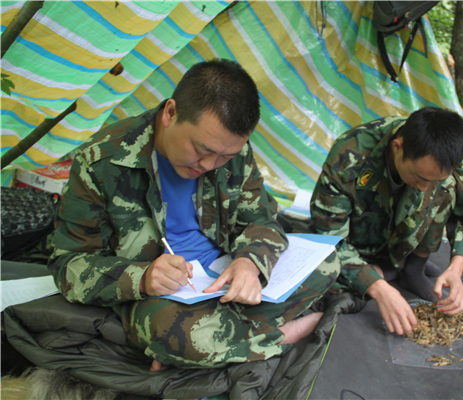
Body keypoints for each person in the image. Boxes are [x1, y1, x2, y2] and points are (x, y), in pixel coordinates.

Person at [48, 59, 340, 370]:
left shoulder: (233, 152)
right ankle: (278, 335)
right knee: (174, 332)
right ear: (170, 113)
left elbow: (261, 220)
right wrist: (143, 278)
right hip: (164, 294)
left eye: (225, 156)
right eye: (201, 150)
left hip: (223, 274)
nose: (210, 164)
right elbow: (68, 264)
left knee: (329, 261)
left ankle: (216, 341)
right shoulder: (101, 162)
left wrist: (250, 262)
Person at [310, 107, 463, 336]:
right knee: (323, 281)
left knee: (448, 188)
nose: (425, 188)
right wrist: (379, 288)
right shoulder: (349, 156)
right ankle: (383, 271)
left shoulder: (442, 155)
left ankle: (413, 268)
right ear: (397, 147)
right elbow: (328, 239)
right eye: (420, 178)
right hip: (359, 247)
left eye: (433, 180)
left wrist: (456, 267)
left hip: (403, 237)